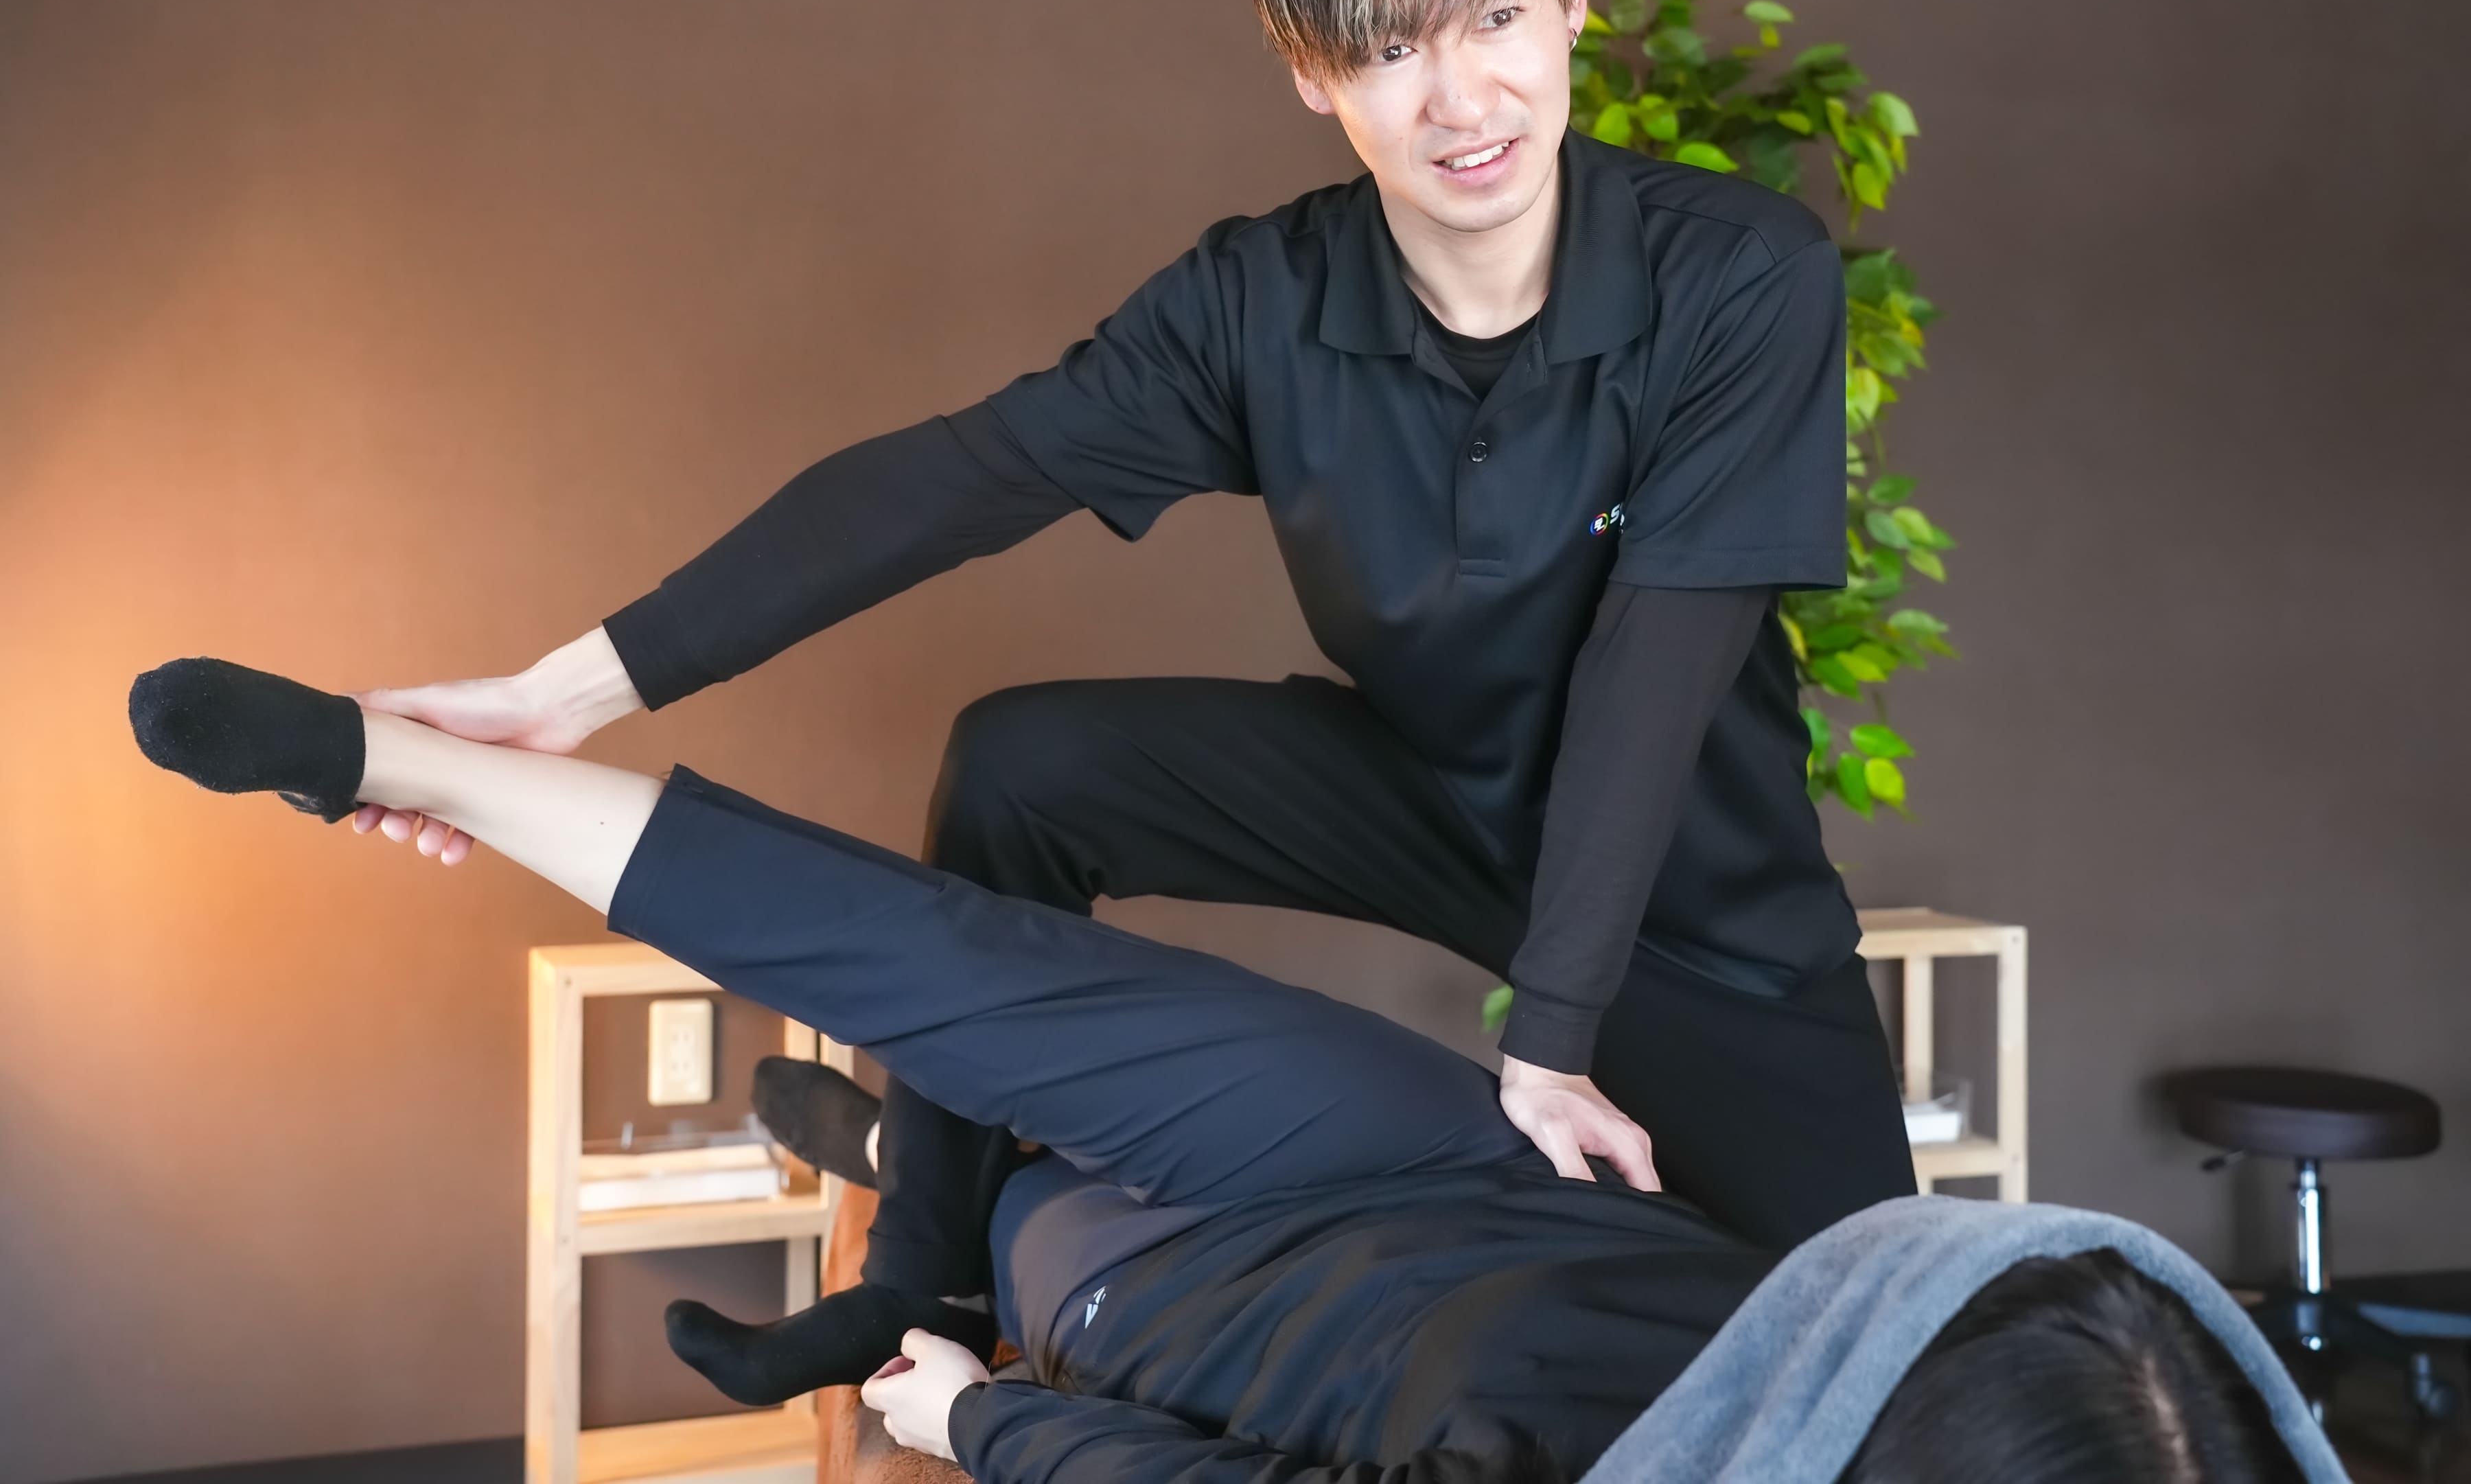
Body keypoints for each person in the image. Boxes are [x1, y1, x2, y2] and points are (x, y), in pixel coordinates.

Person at [335, 0, 1914, 1359]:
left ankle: (946, 1176)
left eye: (1495, 18)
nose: (1461, 98)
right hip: (1423, 792)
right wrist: (564, 693)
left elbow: (1652, 673)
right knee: (1023, 768)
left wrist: (1552, 1039)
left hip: (1697, 906)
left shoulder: (1737, 277)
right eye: (1388, 48)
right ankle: (924, 1271)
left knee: (1891, 1338)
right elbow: (957, 478)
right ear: (1311, 73)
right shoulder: (1262, 301)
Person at [129, 658, 2340, 1484]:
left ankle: (898, 1174)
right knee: (989, 968)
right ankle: (405, 759)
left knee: (1012, 1208)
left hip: (1212, 1311)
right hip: (1448, 1164)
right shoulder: (2061, 1355)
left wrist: (977, 1417)